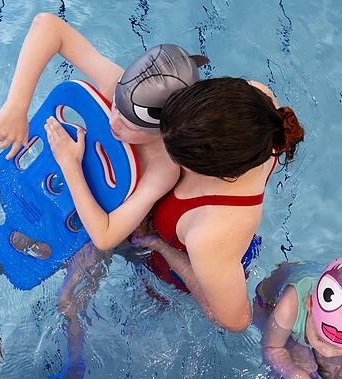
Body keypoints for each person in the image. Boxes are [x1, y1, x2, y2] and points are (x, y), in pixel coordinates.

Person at [0, 12, 206, 379]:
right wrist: (17, 106)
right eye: (115, 107)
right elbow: (48, 26)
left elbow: (107, 234)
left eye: (127, 123)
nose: (113, 121)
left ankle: (76, 362)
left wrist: (70, 164)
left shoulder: (163, 165)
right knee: (13, 239)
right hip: (77, 191)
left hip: (115, 223)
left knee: (67, 301)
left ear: (165, 129)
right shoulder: (119, 86)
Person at [131, 77, 305, 332]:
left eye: (176, 154)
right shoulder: (258, 104)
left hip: (190, 269)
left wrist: (160, 245)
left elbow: (235, 321)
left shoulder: (214, 230)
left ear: (217, 172)